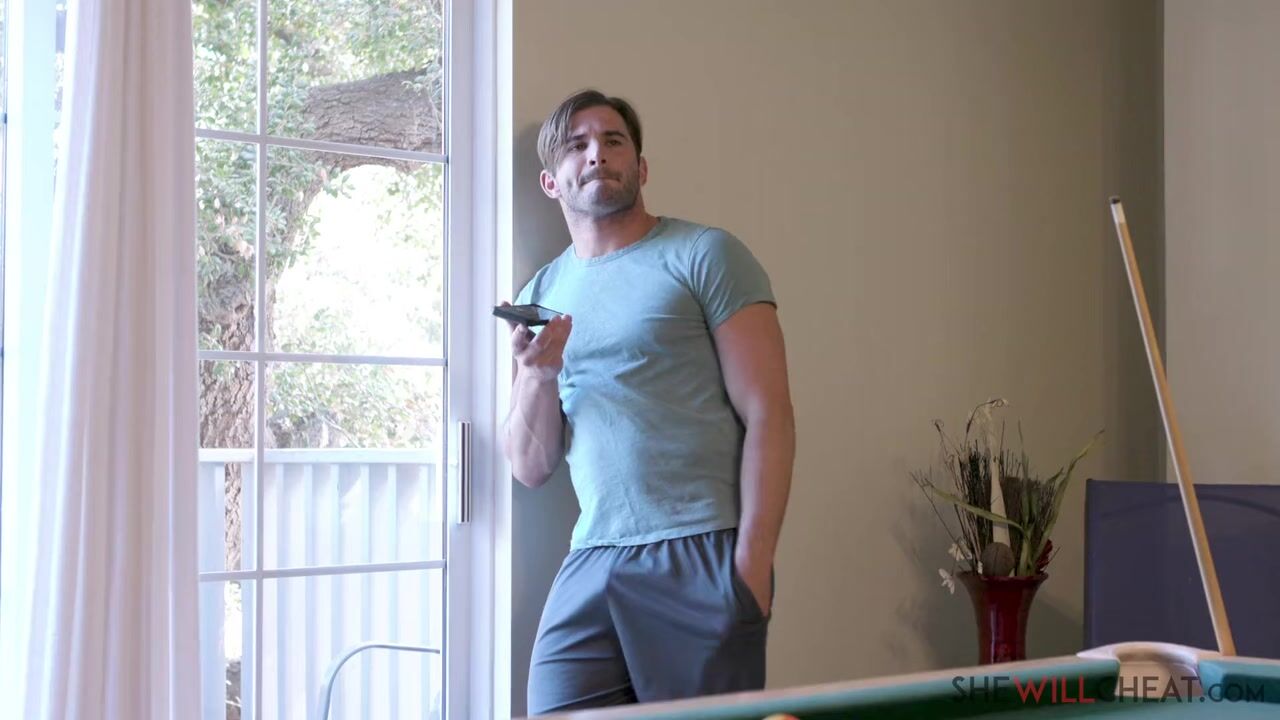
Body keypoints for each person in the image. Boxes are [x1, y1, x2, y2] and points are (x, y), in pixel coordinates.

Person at [502, 88, 795, 715]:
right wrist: (536, 376)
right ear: (551, 182)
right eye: (577, 145)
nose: (597, 154)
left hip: (700, 551)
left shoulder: (706, 254)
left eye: (613, 141)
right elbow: (529, 467)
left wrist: (753, 563)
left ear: (640, 167)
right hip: (592, 555)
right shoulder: (540, 293)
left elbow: (769, 412)